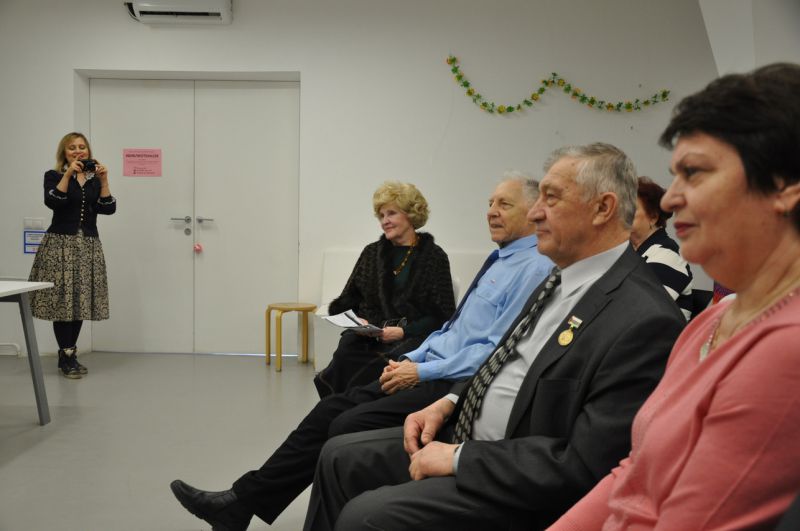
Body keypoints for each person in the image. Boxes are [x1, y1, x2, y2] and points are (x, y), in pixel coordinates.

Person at [302, 143, 687, 531]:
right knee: (337, 456)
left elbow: (585, 465)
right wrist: (450, 402)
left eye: (551, 198)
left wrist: (460, 458)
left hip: (515, 480)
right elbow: (502, 358)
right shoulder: (560, 279)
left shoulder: (643, 319)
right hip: (470, 434)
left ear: (602, 208)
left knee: (364, 517)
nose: (535, 212)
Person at [169, 176, 554, 530]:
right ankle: (240, 502)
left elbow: (484, 342)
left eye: (504, 204)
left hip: (444, 377)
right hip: (416, 359)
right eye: (490, 203)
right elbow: (448, 330)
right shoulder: (495, 258)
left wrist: (414, 359)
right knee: (333, 406)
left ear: (534, 211)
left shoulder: (527, 267)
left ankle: (247, 503)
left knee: (341, 422)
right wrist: (406, 354)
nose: (491, 211)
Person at [548, 63, 800, 530]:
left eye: (694, 172)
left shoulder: (787, 347)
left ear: (784, 186)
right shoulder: (711, 321)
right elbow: (637, 472)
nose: (669, 199)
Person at [313, 181, 456, 397]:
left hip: (412, 336)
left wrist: (403, 331)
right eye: (381, 216)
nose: (384, 221)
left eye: (391, 213)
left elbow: (443, 315)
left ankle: (359, 407)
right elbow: (346, 300)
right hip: (370, 335)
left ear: (411, 215)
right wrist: (359, 321)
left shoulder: (434, 257)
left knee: (388, 362)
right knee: (346, 350)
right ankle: (339, 406)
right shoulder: (371, 253)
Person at [28, 132, 116, 379]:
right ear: (64, 153)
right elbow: (53, 201)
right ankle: (66, 355)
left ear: (88, 151)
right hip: (60, 245)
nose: (78, 151)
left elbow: (108, 208)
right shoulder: (54, 176)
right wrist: (68, 175)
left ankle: (69, 354)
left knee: (79, 301)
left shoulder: (94, 179)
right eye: (72, 148)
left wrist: (104, 180)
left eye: (82, 147)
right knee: (62, 302)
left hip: (88, 245)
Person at [631, 176, 693, 319]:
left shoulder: (667, 255)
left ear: (653, 217)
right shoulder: (630, 252)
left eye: (631, 209)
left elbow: (641, 310)